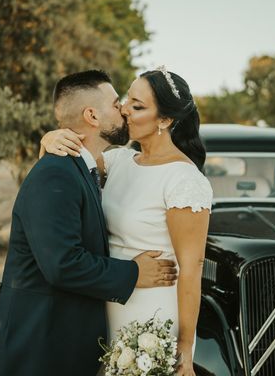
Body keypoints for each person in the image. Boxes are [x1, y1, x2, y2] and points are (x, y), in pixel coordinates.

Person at [0, 70, 179, 376]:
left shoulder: (85, 169)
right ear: (92, 115)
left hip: (59, 345)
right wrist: (134, 272)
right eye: (116, 104)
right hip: (35, 351)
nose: (123, 110)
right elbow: (63, 264)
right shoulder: (55, 174)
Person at [41, 66, 213, 376]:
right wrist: (51, 137)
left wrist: (185, 348)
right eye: (126, 100)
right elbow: (68, 172)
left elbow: (192, 268)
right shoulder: (117, 161)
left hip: (152, 315)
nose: (123, 110)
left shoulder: (184, 180)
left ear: (165, 120)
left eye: (138, 106)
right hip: (106, 304)